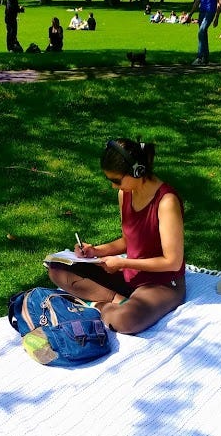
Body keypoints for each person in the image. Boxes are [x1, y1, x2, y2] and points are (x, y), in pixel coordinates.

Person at [47, 139, 186, 335]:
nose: (114, 186)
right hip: (131, 276)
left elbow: (172, 262)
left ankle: (99, 306)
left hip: (162, 283)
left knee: (126, 321)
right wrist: (96, 251)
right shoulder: (125, 193)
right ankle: (116, 300)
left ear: (138, 171)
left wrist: (123, 264)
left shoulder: (166, 202)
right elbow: (130, 241)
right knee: (57, 269)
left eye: (117, 180)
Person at [186, 0, 221, 65]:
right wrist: (190, 15)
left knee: (201, 31)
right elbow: (197, 1)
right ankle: (205, 58)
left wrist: (216, 18)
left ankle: (199, 57)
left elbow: (219, 3)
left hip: (210, 11)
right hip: (202, 12)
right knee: (203, 34)